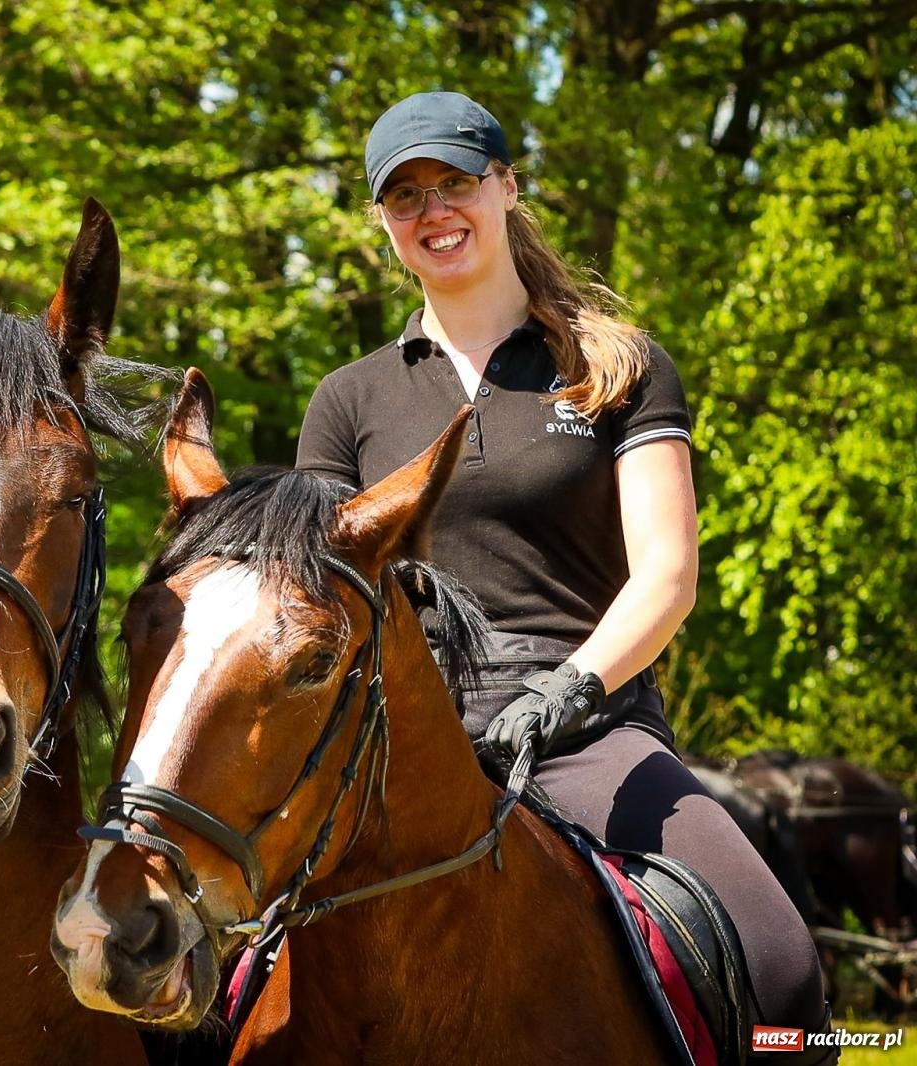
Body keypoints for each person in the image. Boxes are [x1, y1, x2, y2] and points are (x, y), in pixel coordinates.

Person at [297, 91, 835, 1058]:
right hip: (395, 740)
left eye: (456, 182)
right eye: (406, 195)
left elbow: (667, 574)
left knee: (779, 958)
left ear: (507, 186)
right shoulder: (348, 400)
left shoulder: (616, 367)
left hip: (587, 728)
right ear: (382, 221)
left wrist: (566, 692)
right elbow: (316, 596)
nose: (434, 211)